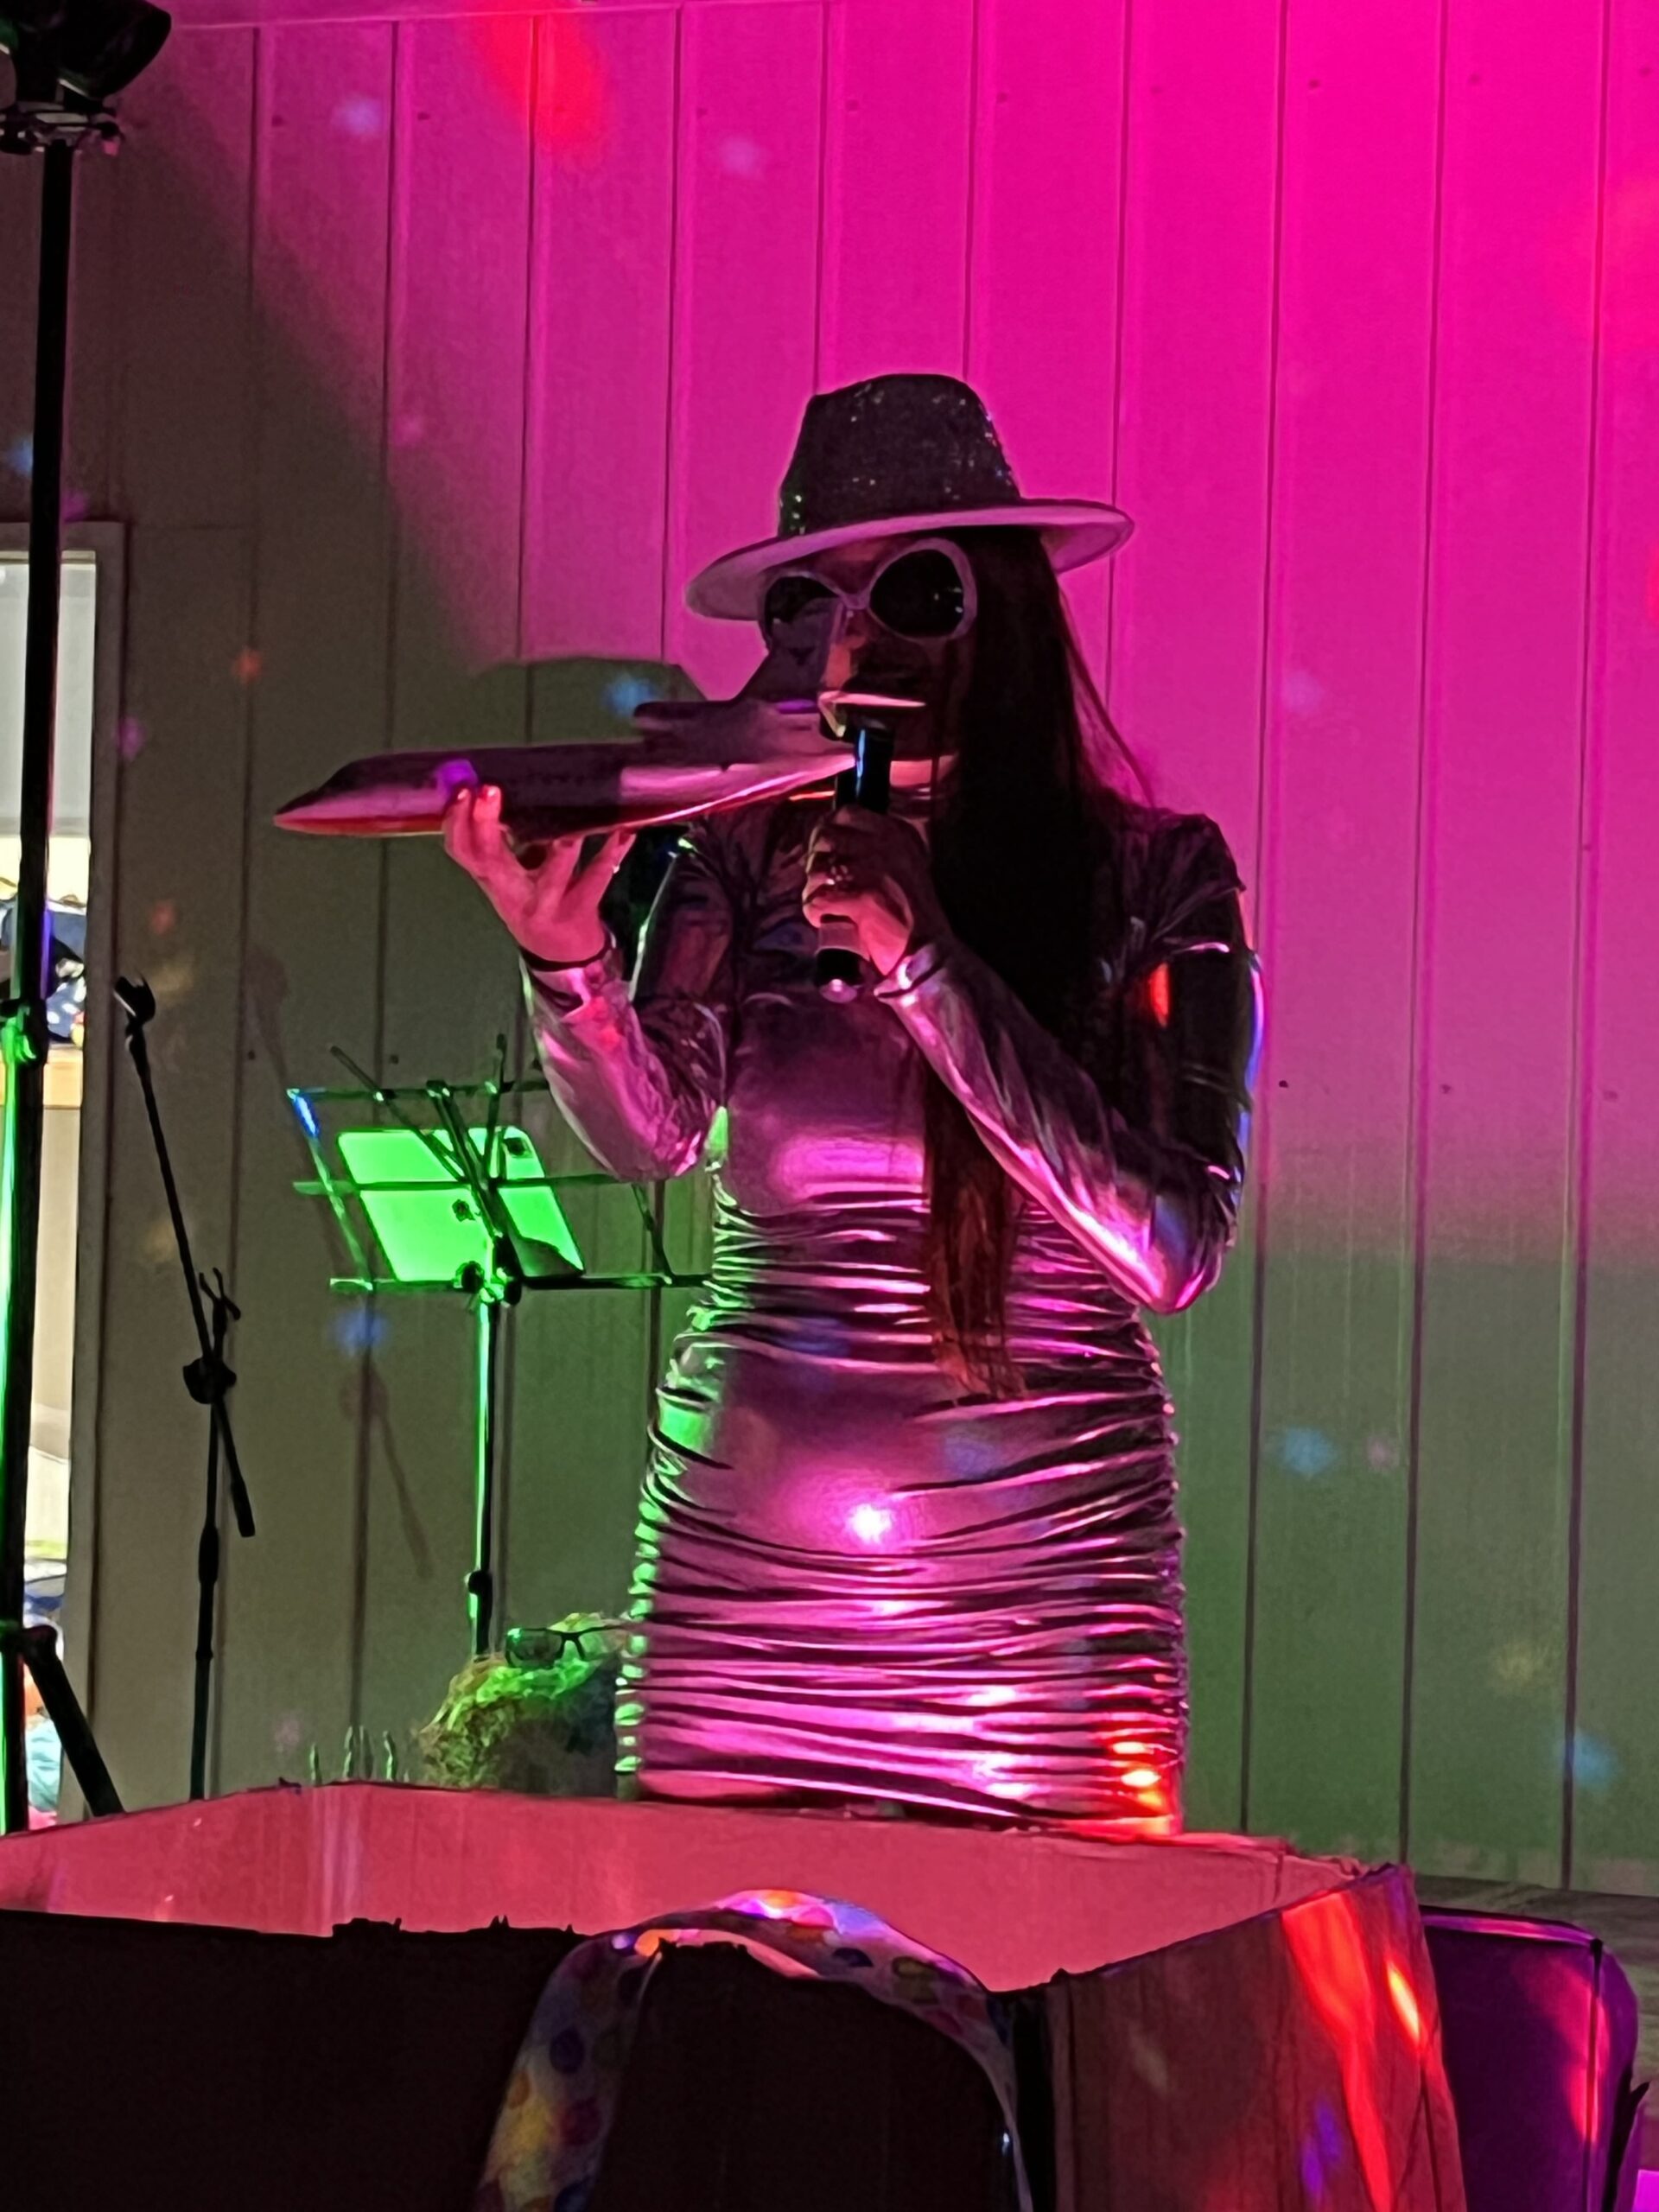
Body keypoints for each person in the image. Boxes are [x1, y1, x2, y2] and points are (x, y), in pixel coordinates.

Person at [445, 374, 1259, 1828]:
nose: (859, 640)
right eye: (810, 605)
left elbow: (1172, 1246)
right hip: (741, 1607)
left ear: (1006, 612)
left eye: (916, 592)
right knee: (707, 1965)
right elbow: (654, 1134)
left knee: (1032, 1967)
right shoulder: (741, 854)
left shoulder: (1154, 874)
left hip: (1035, 1621)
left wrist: (928, 961)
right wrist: (569, 965)